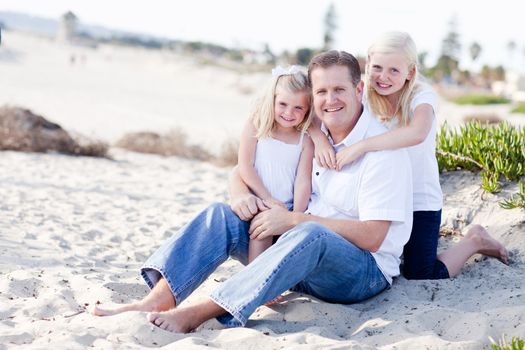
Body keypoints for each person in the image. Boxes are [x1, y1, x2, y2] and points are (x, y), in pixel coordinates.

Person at [92, 50, 414, 333]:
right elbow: (243, 168)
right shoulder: (310, 131)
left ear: (359, 89)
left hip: (360, 273)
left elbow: (373, 236)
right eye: (322, 92)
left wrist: (292, 220)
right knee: (222, 215)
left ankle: (204, 311)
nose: (331, 100)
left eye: (340, 89)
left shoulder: (383, 153)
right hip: (293, 255)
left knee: (311, 232)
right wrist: (240, 194)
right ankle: (156, 301)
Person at [309, 31, 508, 280]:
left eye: (394, 70)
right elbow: (313, 115)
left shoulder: (420, 96)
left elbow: (417, 133)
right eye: (377, 67)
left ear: (410, 73)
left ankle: (474, 240)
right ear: (367, 65)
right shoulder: (364, 96)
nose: (383, 77)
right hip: (380, 198)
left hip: (417, 199)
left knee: (419, 272)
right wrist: (318, 139)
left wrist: (362, 146)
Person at [237, 65, 313, 262]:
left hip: (287, 207)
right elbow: (245, 166)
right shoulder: (257, 125)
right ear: (273, 100)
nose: (289, 112)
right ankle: (255, 277)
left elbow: (303, 180)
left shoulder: (304, 140)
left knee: (287, 242)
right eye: (283, 104)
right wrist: (267, 198)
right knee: (262, 231)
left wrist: (296, 215)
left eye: (298, 108)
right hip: (260, 200)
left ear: (307, 110)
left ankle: (273, 277)